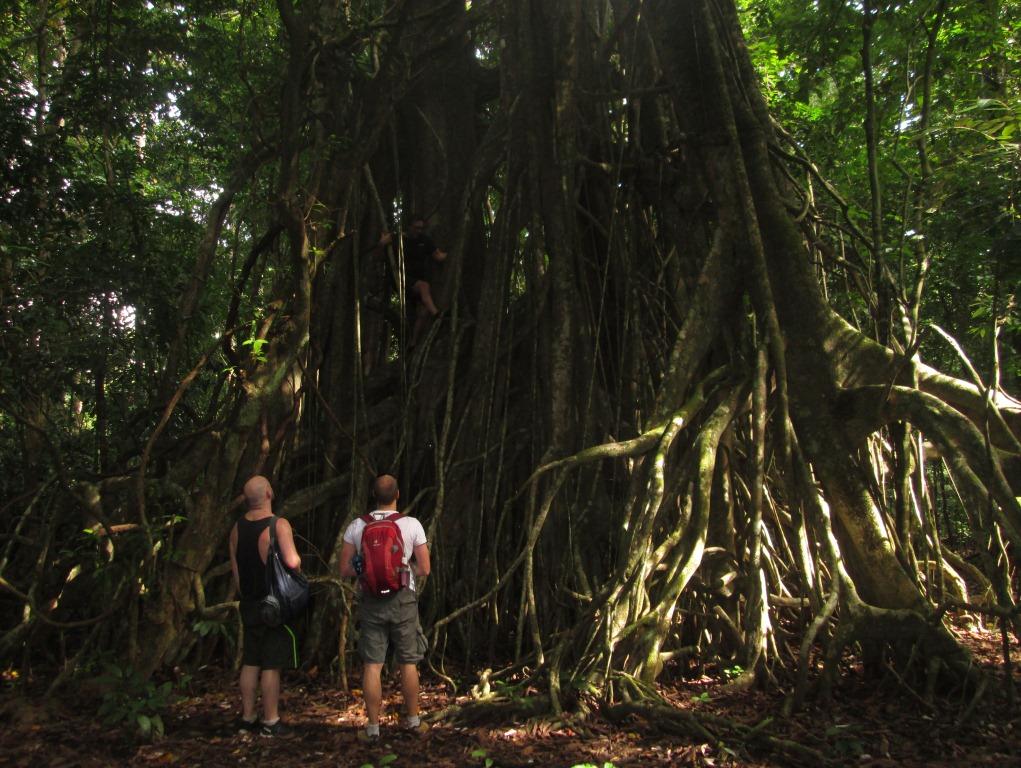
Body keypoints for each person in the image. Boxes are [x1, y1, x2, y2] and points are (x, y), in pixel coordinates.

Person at [340, 474, 431, 742]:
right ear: (398, 494)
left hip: (370, 599)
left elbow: (344, 569)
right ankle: (414, 722)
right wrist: (404, 571)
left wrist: (364, 568)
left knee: (372, 664)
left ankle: (372, 728)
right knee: (408, 661)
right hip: (403, 597)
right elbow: (425, 568)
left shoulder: (357, 526)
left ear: (373, 495)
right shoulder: (411, 524)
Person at [228, 475, 302, 737]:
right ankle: (270, 721)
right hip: (273, 605)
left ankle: (247, 717)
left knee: (251, 660)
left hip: (249, 601)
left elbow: (236, 570)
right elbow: (292, 562)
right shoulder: (277, 525)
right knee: (271, 664)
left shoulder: (237, 528)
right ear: (269, 493)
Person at [378, 217, 448, 346]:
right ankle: (437, 315)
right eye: (416, 228)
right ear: (409, 227)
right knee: (424, 286)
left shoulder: (424, 240)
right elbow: (382, 250)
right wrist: (383, 242)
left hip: (416, 281)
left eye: (421, 228)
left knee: (423, 311)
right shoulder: (398, 238)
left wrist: (453, 252)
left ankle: (413, 343)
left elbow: (439, 256)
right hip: (400, 279)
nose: (419, 231)